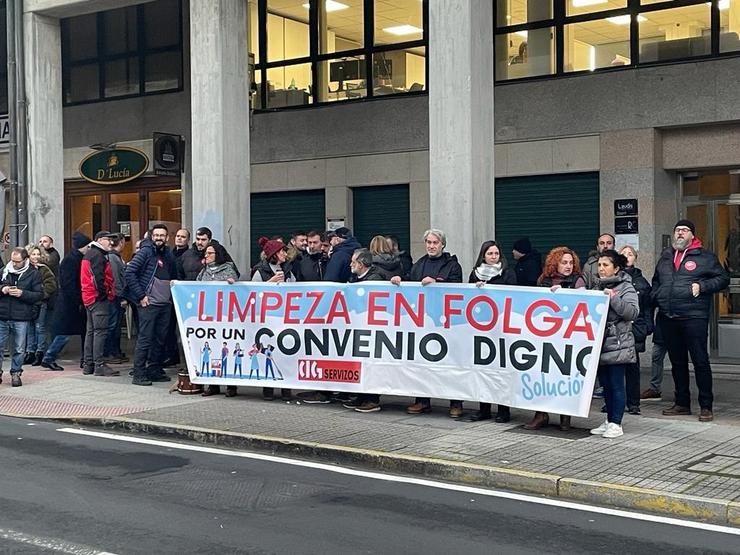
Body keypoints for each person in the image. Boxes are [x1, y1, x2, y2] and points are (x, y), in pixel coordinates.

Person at [651, 219, 729, 422]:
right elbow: (656, 280)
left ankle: (706, 406)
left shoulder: (705, 257)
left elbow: (723, 279)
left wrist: (702, 287)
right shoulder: (666, 256)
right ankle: (682, 403)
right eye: (677, 230)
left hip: (694, 317)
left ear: (692, 235)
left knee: (700, 361)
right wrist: (657, 295)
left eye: (684, 230)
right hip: (668, 316)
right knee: (677, 363)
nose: (680, 233)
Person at [391, 228, 463, 417]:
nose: (431, 246)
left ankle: (456, 402)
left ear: (442, 244)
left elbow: (458, 288)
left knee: (450, 363)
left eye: (435, 243)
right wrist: (400, 280)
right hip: (423, 321)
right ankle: (422, 400)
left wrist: (437, 282)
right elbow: (411, 282)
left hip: (446, 323)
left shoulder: (452, 265)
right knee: (422, 362)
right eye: (429, 243)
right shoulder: (419, 264)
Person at [524, 246, 586, 431]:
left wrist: (567, 294)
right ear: (555, 263)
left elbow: (583, 301)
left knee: (564, 375)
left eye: (571, 263)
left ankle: (565, 416)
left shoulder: (578, 280)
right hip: (545, 335)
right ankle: (540, 414)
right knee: (541, 374)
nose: (568, 266)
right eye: (564, 262)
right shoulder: (543, 281)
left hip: (567, 337)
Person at [589, 250, 639, 439]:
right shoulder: (595, 285)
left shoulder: (626, 287)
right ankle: (609, 419)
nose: (601, 269)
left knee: (617, 384)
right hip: (600, 343)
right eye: (599, 265)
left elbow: (632, 312)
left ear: (616, 268)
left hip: (618, 344)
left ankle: (616, 422)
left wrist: (614, 299)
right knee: (606, 385)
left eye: (606, 265)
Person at [466, 240, 517, 423]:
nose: (493, 257)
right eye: (490, 254)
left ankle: (504, 410)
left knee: (501, 371)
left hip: (501, 328)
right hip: (481, 327)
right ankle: (484, 409)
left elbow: (512, 294)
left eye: (496, 254)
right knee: (483, 370)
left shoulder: (507, 273)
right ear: (483, 256)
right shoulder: (475, 274)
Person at [124, 224, 178, 386]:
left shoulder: (168, 254)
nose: (159, 238)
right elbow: (129, 272)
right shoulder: (146, 252)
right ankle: (139, 373)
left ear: (167, 238)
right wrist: (141, 295)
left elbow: (173, 274)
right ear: (151, 237)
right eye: (156, 235)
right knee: (145, 338)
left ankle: (154, 369)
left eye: (162, 235)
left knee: (160, 339)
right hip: (148, 303)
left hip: (165, 303)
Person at [342, 248, 386, 412]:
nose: (350, 264)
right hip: (358, 326)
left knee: (370, 363)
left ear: (361, 264)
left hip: (371, 328)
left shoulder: (374, 280)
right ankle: (361, 396)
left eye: (353, 261)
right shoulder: (356, 278)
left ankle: (371, 399)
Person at [251, 237, 293, 401]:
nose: (285, 253)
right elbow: (253, 293)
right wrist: (270, 283)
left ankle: (286, 387)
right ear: (274, 254)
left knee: (285, 351)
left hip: (284, 318)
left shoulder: (288, 269)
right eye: (282, 251)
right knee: (268, 352)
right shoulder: (260, 272)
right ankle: (268, 387)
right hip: (267, 319)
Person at [41, 232, 90, 372]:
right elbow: (68, 283)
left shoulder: (77, 258)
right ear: (83, 246)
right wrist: (79, 300)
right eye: (87, 245)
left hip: (74, 302)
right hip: (71, 303)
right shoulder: (71, 260)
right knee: (66, 332)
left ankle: (84, 359)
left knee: (79, 331)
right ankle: (49, 357)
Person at [198, 242, 239, 397]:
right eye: (206, 253)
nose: (206, 256)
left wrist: (231, 283)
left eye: (210, 253)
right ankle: (213, 385)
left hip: (225, 316)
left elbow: (236, 284)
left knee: (227, 350)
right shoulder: (204, 272)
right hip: (209, 317)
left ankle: (231, 386)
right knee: (212, 349)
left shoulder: (228, 269)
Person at [0, 248, 44, 387]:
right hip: (3, 314)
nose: (14, 264)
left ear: (25, 260)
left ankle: (16, 373)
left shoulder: (34, 274)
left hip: (21, 316)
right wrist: (3, 289)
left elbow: (39, 295)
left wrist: (22, 293)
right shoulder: (4, 271)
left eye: (17, 261)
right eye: (12, 260)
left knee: (19, 348)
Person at [620, 245, 653, 415]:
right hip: (616, 330)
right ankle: (614, 401)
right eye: (623, 254)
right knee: (614, 368)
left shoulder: (641, 282)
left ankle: (633, 403)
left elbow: (648, 307)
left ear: (635, 258)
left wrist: (647, 327)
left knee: (633, 368)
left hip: (635, 329)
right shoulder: (614, 279)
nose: (627, 256)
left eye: (630, 254)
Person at [81, 231, 118, 377]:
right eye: (109, 240)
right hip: (97, 299)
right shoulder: (97, 255)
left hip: (89, 298)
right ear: (100, 240)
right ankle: (99, 365)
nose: (111, 243)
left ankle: (88, 364)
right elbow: (98, 278)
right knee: (100, 332)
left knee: (91, 331)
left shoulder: (90, 254)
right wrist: (104, 294)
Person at [23, 244, 57, 367]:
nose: (36, 257)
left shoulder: (43, 269)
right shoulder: (25, 268)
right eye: (33, 254)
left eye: (38, 254)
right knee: (29, 328)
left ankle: (40, 352)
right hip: (27, 302)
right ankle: (29, 352)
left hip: (40, 302)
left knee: (40, 327)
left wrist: (42, 295)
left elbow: (51, 285)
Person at [103, 234, 128, 364]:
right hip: (114, 297)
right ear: (121, 242)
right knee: (112, 325)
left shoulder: (115, 257)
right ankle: (109, 352)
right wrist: (121, 296)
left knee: (115, 325)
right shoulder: (113, 258)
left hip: (115, 296)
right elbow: (116, 279)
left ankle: (114, 351)